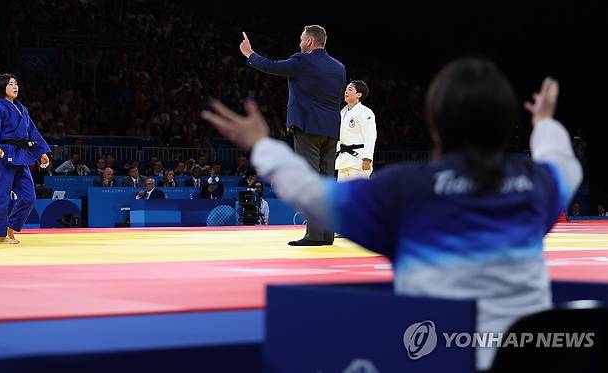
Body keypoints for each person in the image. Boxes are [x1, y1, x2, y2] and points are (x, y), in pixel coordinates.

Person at [202, 58, 582, 371]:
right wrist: (545, 122)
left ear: (434, 124)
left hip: (436, 359)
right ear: (505, 124)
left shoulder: (406, 190)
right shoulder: (537, 184)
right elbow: (564, 163)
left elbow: (312, 194)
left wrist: (261, 145)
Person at [239, 25, 346, 246]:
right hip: (331, 130)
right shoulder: (339, 67)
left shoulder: (302, 61)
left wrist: (250, 54)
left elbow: (271, 66)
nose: (299, 43)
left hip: (307, 128)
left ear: (309, 42)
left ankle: (314, 236)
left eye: (301, 39)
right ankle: (326, 235)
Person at [0, 73, 51, 244]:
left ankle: (10, 227)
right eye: (11, 84)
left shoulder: (22, 109)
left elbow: (32, 133)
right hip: (3, 155)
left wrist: (41, 152)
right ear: (2, 87)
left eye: (16, 84)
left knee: (29, 197)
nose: (15, 87)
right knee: (1, 197)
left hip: (20, 156)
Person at [336, 80, 377, 181]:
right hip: (343, 160)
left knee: (359, 195)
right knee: (342, 195)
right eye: (345, 90)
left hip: (358, 160)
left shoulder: (365, 112)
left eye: (350, 89)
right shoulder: (342, 112)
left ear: (358, 94)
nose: (346, 92)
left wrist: (367, 158)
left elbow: (370, 136)